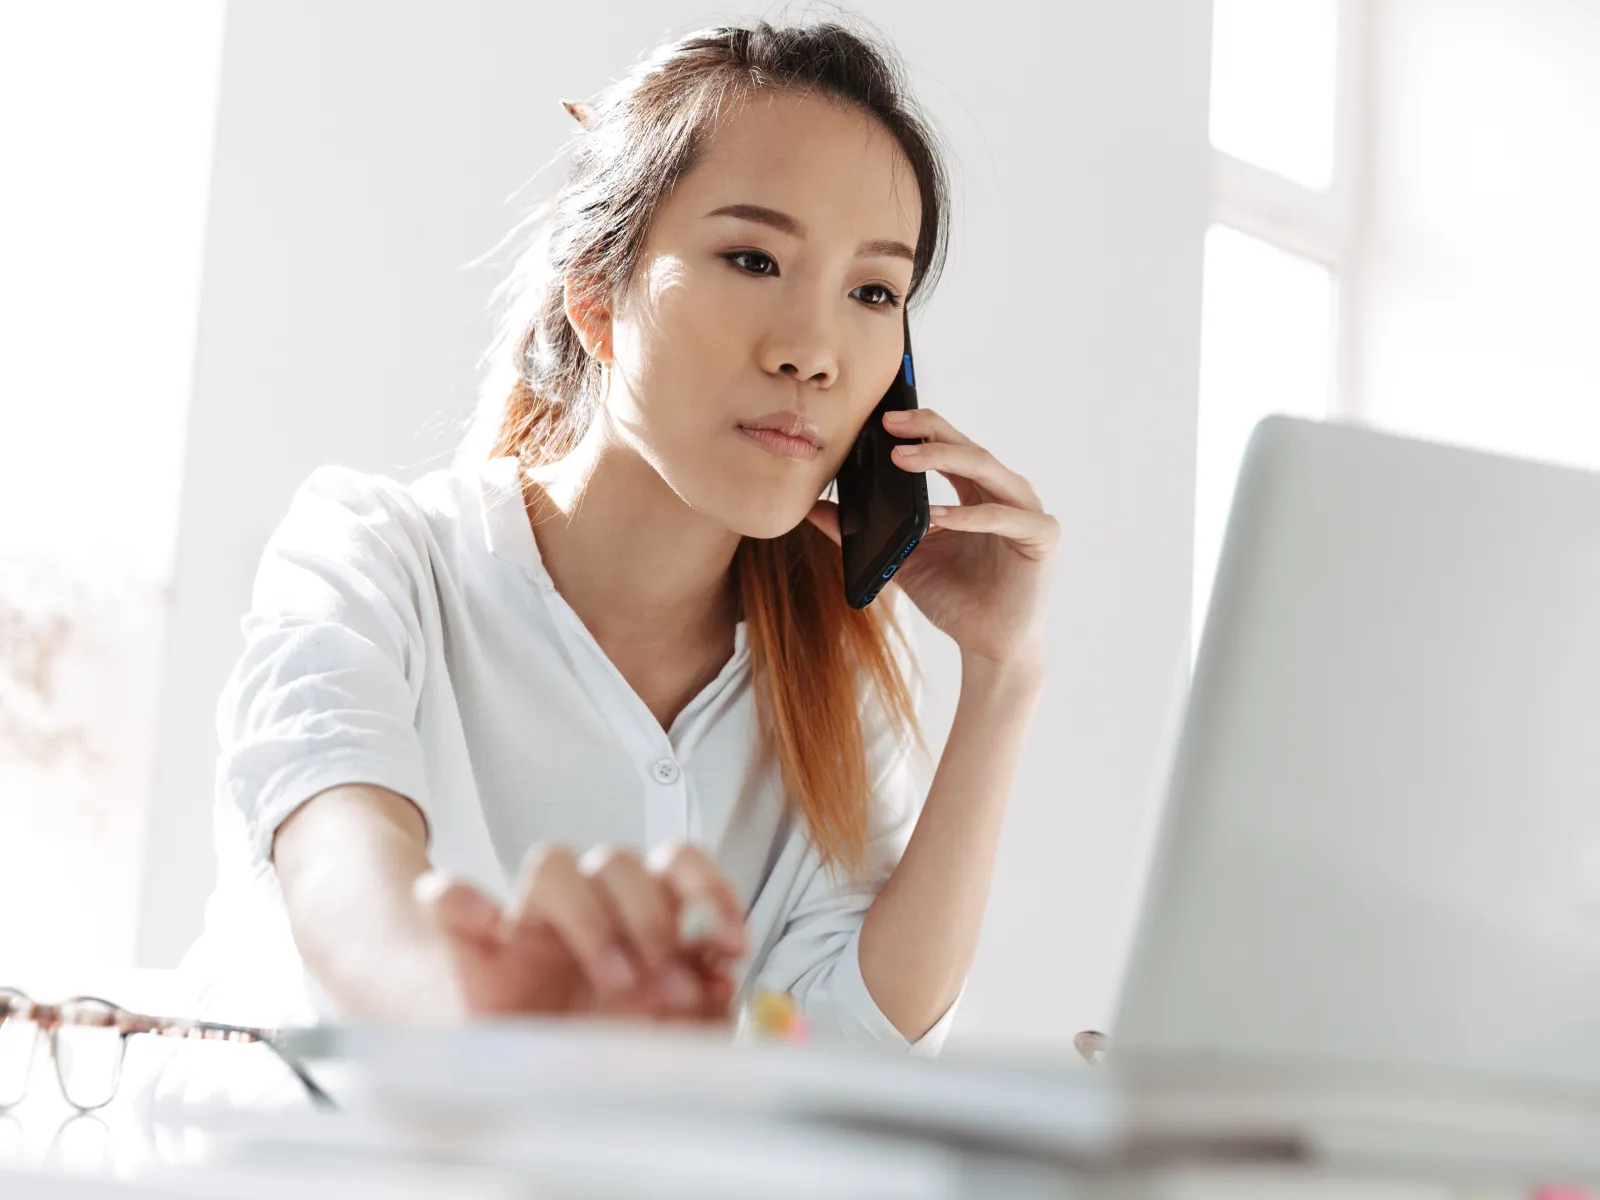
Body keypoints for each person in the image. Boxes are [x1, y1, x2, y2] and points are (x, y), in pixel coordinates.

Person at [186, 19, 1059, 1057]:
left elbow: (842, 1039)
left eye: (873, 291)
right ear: (597, 297)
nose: (814, 352)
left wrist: (1001, 679)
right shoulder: (375, 559)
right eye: (751, 256)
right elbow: (341, 887)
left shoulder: (827, 680)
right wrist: (467, 1006)